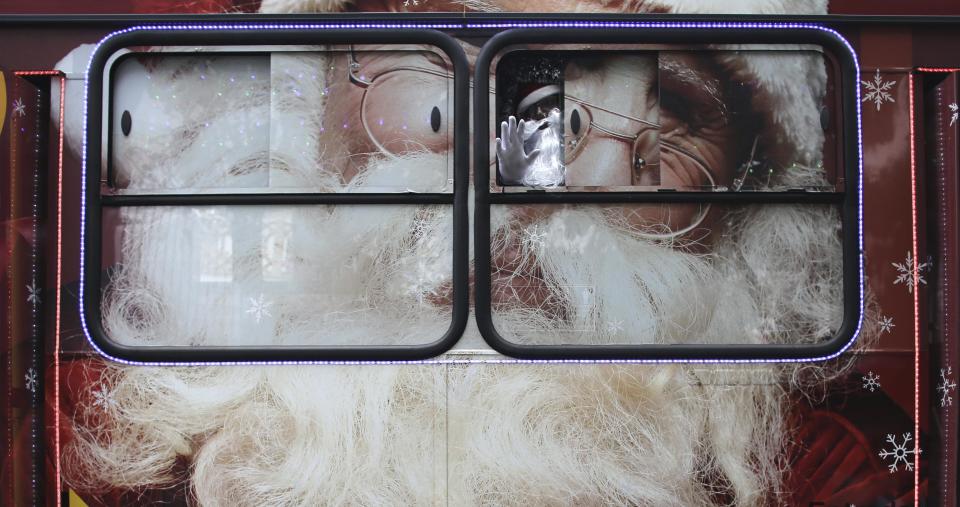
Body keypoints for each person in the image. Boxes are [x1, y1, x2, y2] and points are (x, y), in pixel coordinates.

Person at [55, 1, 871, 505]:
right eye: (449, 38)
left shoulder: (836, 475)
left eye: (668, 103)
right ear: (303, 100)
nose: (539, 170)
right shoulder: (62, 442)